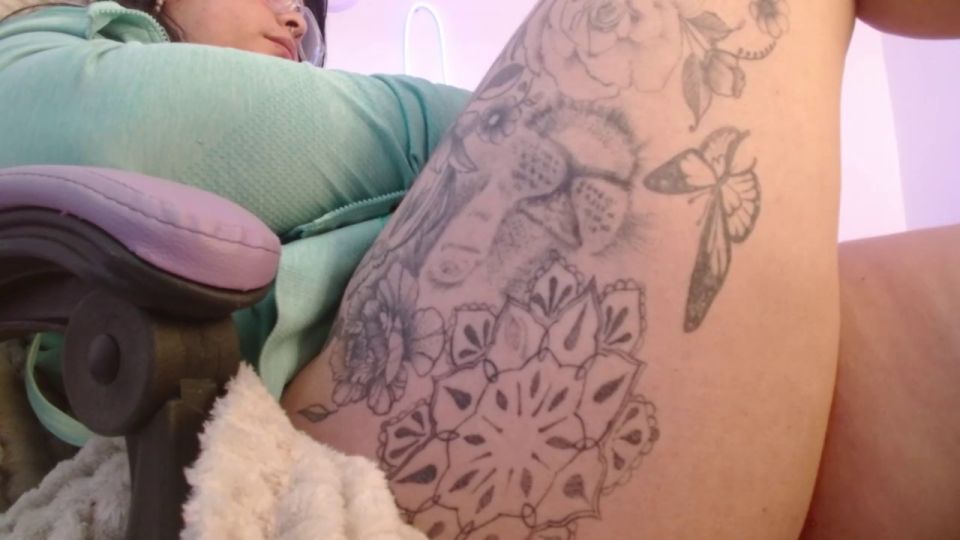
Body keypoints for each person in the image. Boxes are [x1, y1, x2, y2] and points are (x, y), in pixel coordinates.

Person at [0, 0, 957, 538]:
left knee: (917, 313)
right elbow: (82, 125)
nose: (295, 12)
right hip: (241, 469)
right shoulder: (51, 31)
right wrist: (514, 134)